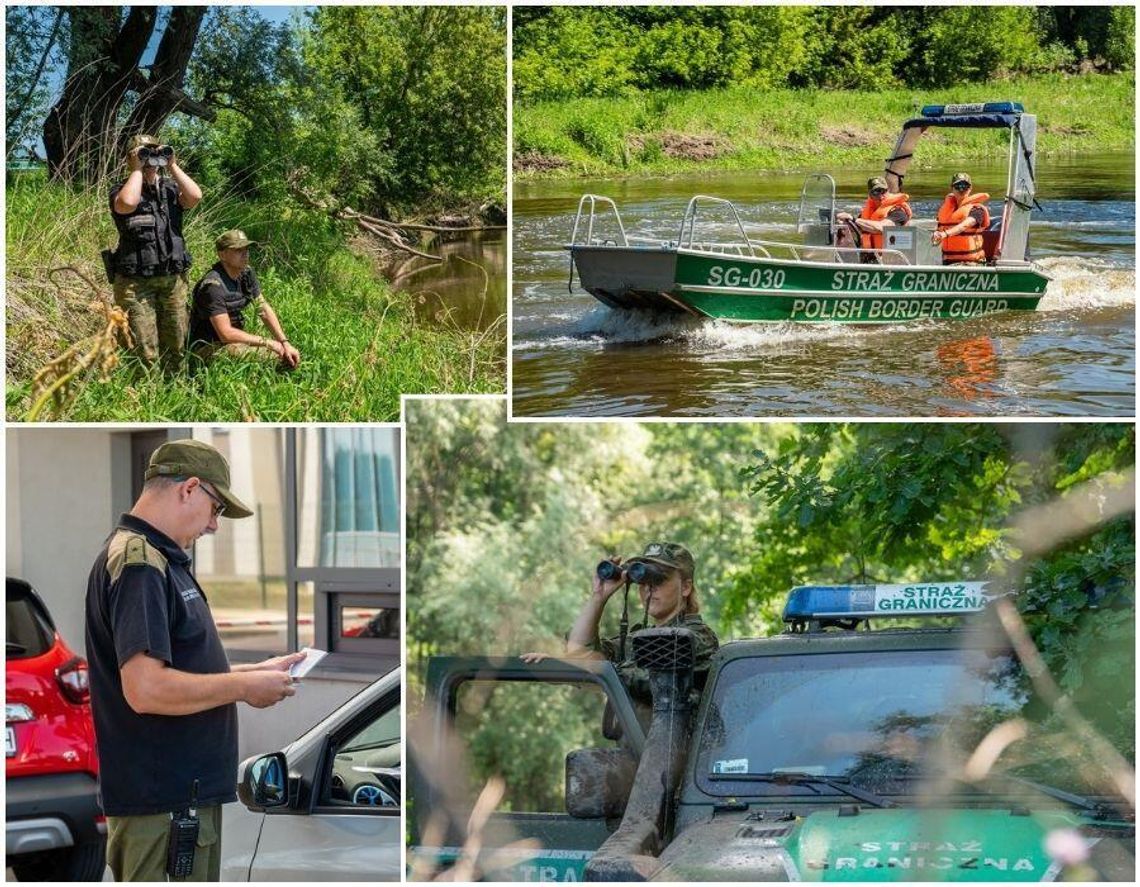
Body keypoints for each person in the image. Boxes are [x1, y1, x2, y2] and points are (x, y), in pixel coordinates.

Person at [84, 439, 305, 881]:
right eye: (216, 508)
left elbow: (178, 671)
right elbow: (146, 688)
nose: (214, 526)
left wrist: (253, 672)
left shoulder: (161, 560)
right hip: (165, 810)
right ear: (189, 489)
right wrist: (242, 689)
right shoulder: (140, 565)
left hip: (177, 807)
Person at [520, 542, 719, 705]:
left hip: (675, 750)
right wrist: (599, 597)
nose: (649, 588)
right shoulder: (638, 641)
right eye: (643, 581)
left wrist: (583, 667)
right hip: (637, 750)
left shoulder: (698, 637)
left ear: (685, 587)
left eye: (659, 579)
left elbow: (648, 679)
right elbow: (580, 650)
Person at [109, 134, 202, 371]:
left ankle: (174, 390)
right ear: (130, 158)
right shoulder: (121, 190)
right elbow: (127, 204)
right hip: (135, 284)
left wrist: (171, 164)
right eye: (143, 153)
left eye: (153, 152)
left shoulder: (170, 190)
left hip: (172, 280)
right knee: (142, 346)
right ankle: (142, 395)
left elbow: (195, 197)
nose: (149, 158)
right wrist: (137, 169)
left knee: (177, 341)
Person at [189, 230, 301, 369]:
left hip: (233, 342)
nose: (245, 254)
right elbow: (225, 334)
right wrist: (268, 342)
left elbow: (262, 308)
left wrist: (284, 342)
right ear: (222, 254)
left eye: (246, 249)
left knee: (288, 354)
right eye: (238, 250)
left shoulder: (246, 274)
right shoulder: (212, 286)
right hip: (208, 346)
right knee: (277, 359)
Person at [836, 176, 913, 263]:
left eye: (883, 191)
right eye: (876, 192)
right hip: (870, 259)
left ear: (888, 190)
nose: (880, 196)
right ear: (870, 195)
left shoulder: (898, 211)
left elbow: (881, 228)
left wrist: (853, 219)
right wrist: (843, 224)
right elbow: (856, 228)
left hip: (894, 261)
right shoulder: (868, 212)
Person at [932, 172, 991, 265]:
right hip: (947, 261)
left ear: (970, 188)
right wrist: (936, 232)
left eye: (965, 186)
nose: (961, 189)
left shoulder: (977, 210)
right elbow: (939, 228)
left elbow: (964, 225)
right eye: (958, 186)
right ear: (952, 188)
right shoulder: (946, 210)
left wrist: (945, 234)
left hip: (971, 263)